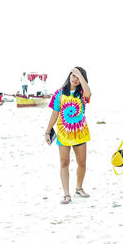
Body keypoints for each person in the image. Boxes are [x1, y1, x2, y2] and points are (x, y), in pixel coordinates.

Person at [44, 67, 92, 204]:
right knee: (64, 163)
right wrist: (47, 131)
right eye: (73, 75)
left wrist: (80, 75)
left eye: (78, 76)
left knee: (81, 163)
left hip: (80, 133)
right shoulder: (59, 93)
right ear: (69, 75)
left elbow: (89, 93)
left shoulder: (82, 92)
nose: (75, 78)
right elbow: (54, 114)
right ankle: (66, 194)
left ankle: (79, 188)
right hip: (63, 133)